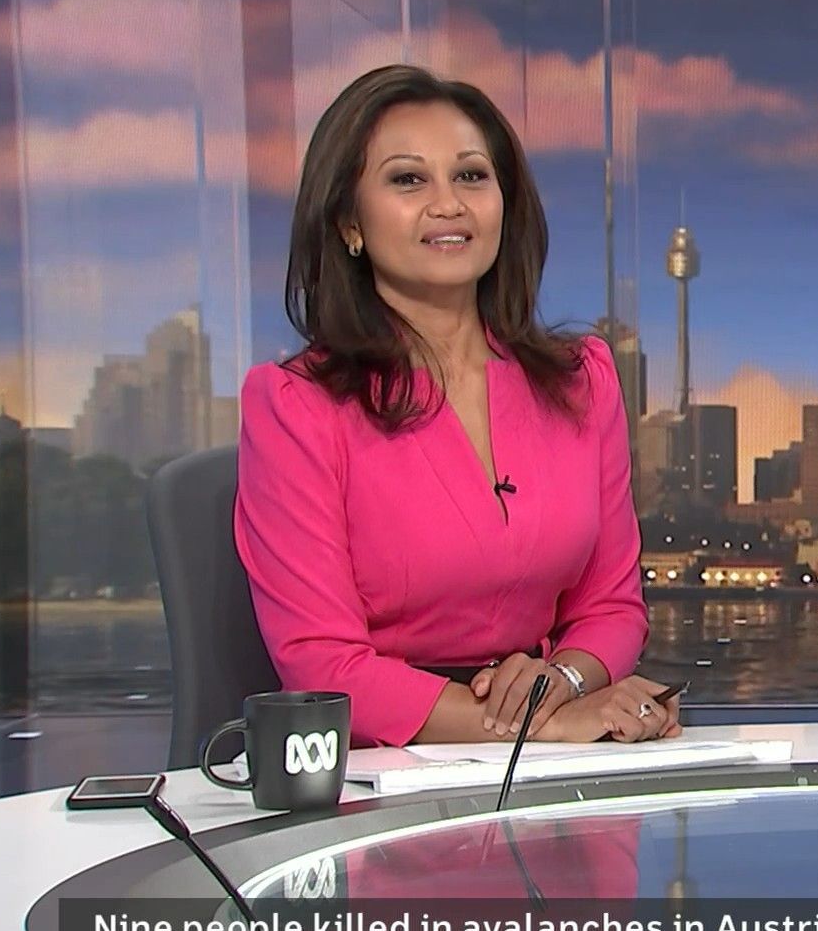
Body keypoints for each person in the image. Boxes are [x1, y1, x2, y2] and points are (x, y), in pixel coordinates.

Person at [235, 64, 679, 748]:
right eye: (408, 180)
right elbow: (322, 665)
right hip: (384, 766)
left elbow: (612, 606)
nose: (449, 205)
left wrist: (562, 683)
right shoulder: (297, 406)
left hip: (550, 755)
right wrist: (538, 728)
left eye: (471, 175)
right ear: (350, 221)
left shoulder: (581, 381)